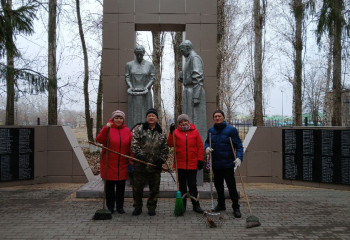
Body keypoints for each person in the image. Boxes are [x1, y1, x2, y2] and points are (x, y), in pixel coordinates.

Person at [204, 110, 244, 218]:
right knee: (218, 186)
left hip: (228, 164)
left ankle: (236, 207)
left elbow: (239, 146)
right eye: (215, 116)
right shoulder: (211, 130)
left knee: (231, 186)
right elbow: (207, 141)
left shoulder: (231, 130)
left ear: (223, 117)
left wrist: (239, 158)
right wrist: (207, 147)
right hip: (216, 163)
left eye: (219, 116)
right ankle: (221, 205)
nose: (217, 118)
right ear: (213, 118)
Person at [131, 108, 169, 216]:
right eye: (149, 115)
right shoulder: (139, 129)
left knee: (154, 188)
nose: (151, 117)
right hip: (140, 164)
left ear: (157, 118)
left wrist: (161, 159)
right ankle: (137, 207)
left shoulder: (161, 132)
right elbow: (134, 144)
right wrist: (139, 155)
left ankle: (152, 207)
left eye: (153, 115)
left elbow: (165, 149)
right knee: (137, 188)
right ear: (146, 118)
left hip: (155, 165)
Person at [96, 110, 132, 214]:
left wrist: (131, 159)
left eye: (120, 118)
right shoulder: (108, 129)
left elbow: (131, 146)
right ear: (113, 119)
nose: (118, 120)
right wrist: (105, 128)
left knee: (121, 188)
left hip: (122, 164)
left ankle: (120, 207)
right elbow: (100, 140)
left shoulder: (127, 131)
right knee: (110, 189)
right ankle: (110, 207)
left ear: (123, 120)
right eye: (116, 118)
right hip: (109, 164)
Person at [168, 114, 205, 214]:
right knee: (182, 186)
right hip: (180, 164)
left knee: (193, 185)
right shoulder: (176, 132)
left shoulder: (195, 132)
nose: (184, 123)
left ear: (188, 122)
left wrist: (200, 160)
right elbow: (171, 144)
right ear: (179, 124)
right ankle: (182, 205)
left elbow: (200, 147)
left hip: (192, 164)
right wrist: (171, 133)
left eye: (185, 121)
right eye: (181, 122)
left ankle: (196, 205)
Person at [178, 40, 207, 140]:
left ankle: (199, 142)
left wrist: (196, 96)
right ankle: (189, 141)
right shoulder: (189, 59)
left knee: (196, 119)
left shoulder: (195, 58)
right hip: (189, 91)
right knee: (189, 117)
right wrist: (183, 77)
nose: (181, 52)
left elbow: (198, 76)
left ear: (187, 48)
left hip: (194, 91)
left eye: (182, 50)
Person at [125, 45, 155, 129]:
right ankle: (133, 132)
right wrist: (131, 87)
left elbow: (152, 78)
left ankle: (147, 131)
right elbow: (127, 77)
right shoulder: (129, 65)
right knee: (133, 114)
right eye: (137, 54)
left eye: (141, 54)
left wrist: (146, 87)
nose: (139, 56)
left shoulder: (149, 65)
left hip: (146, 94)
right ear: (135, 54)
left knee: (146, 113)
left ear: (143, 54)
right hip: (133, 94)